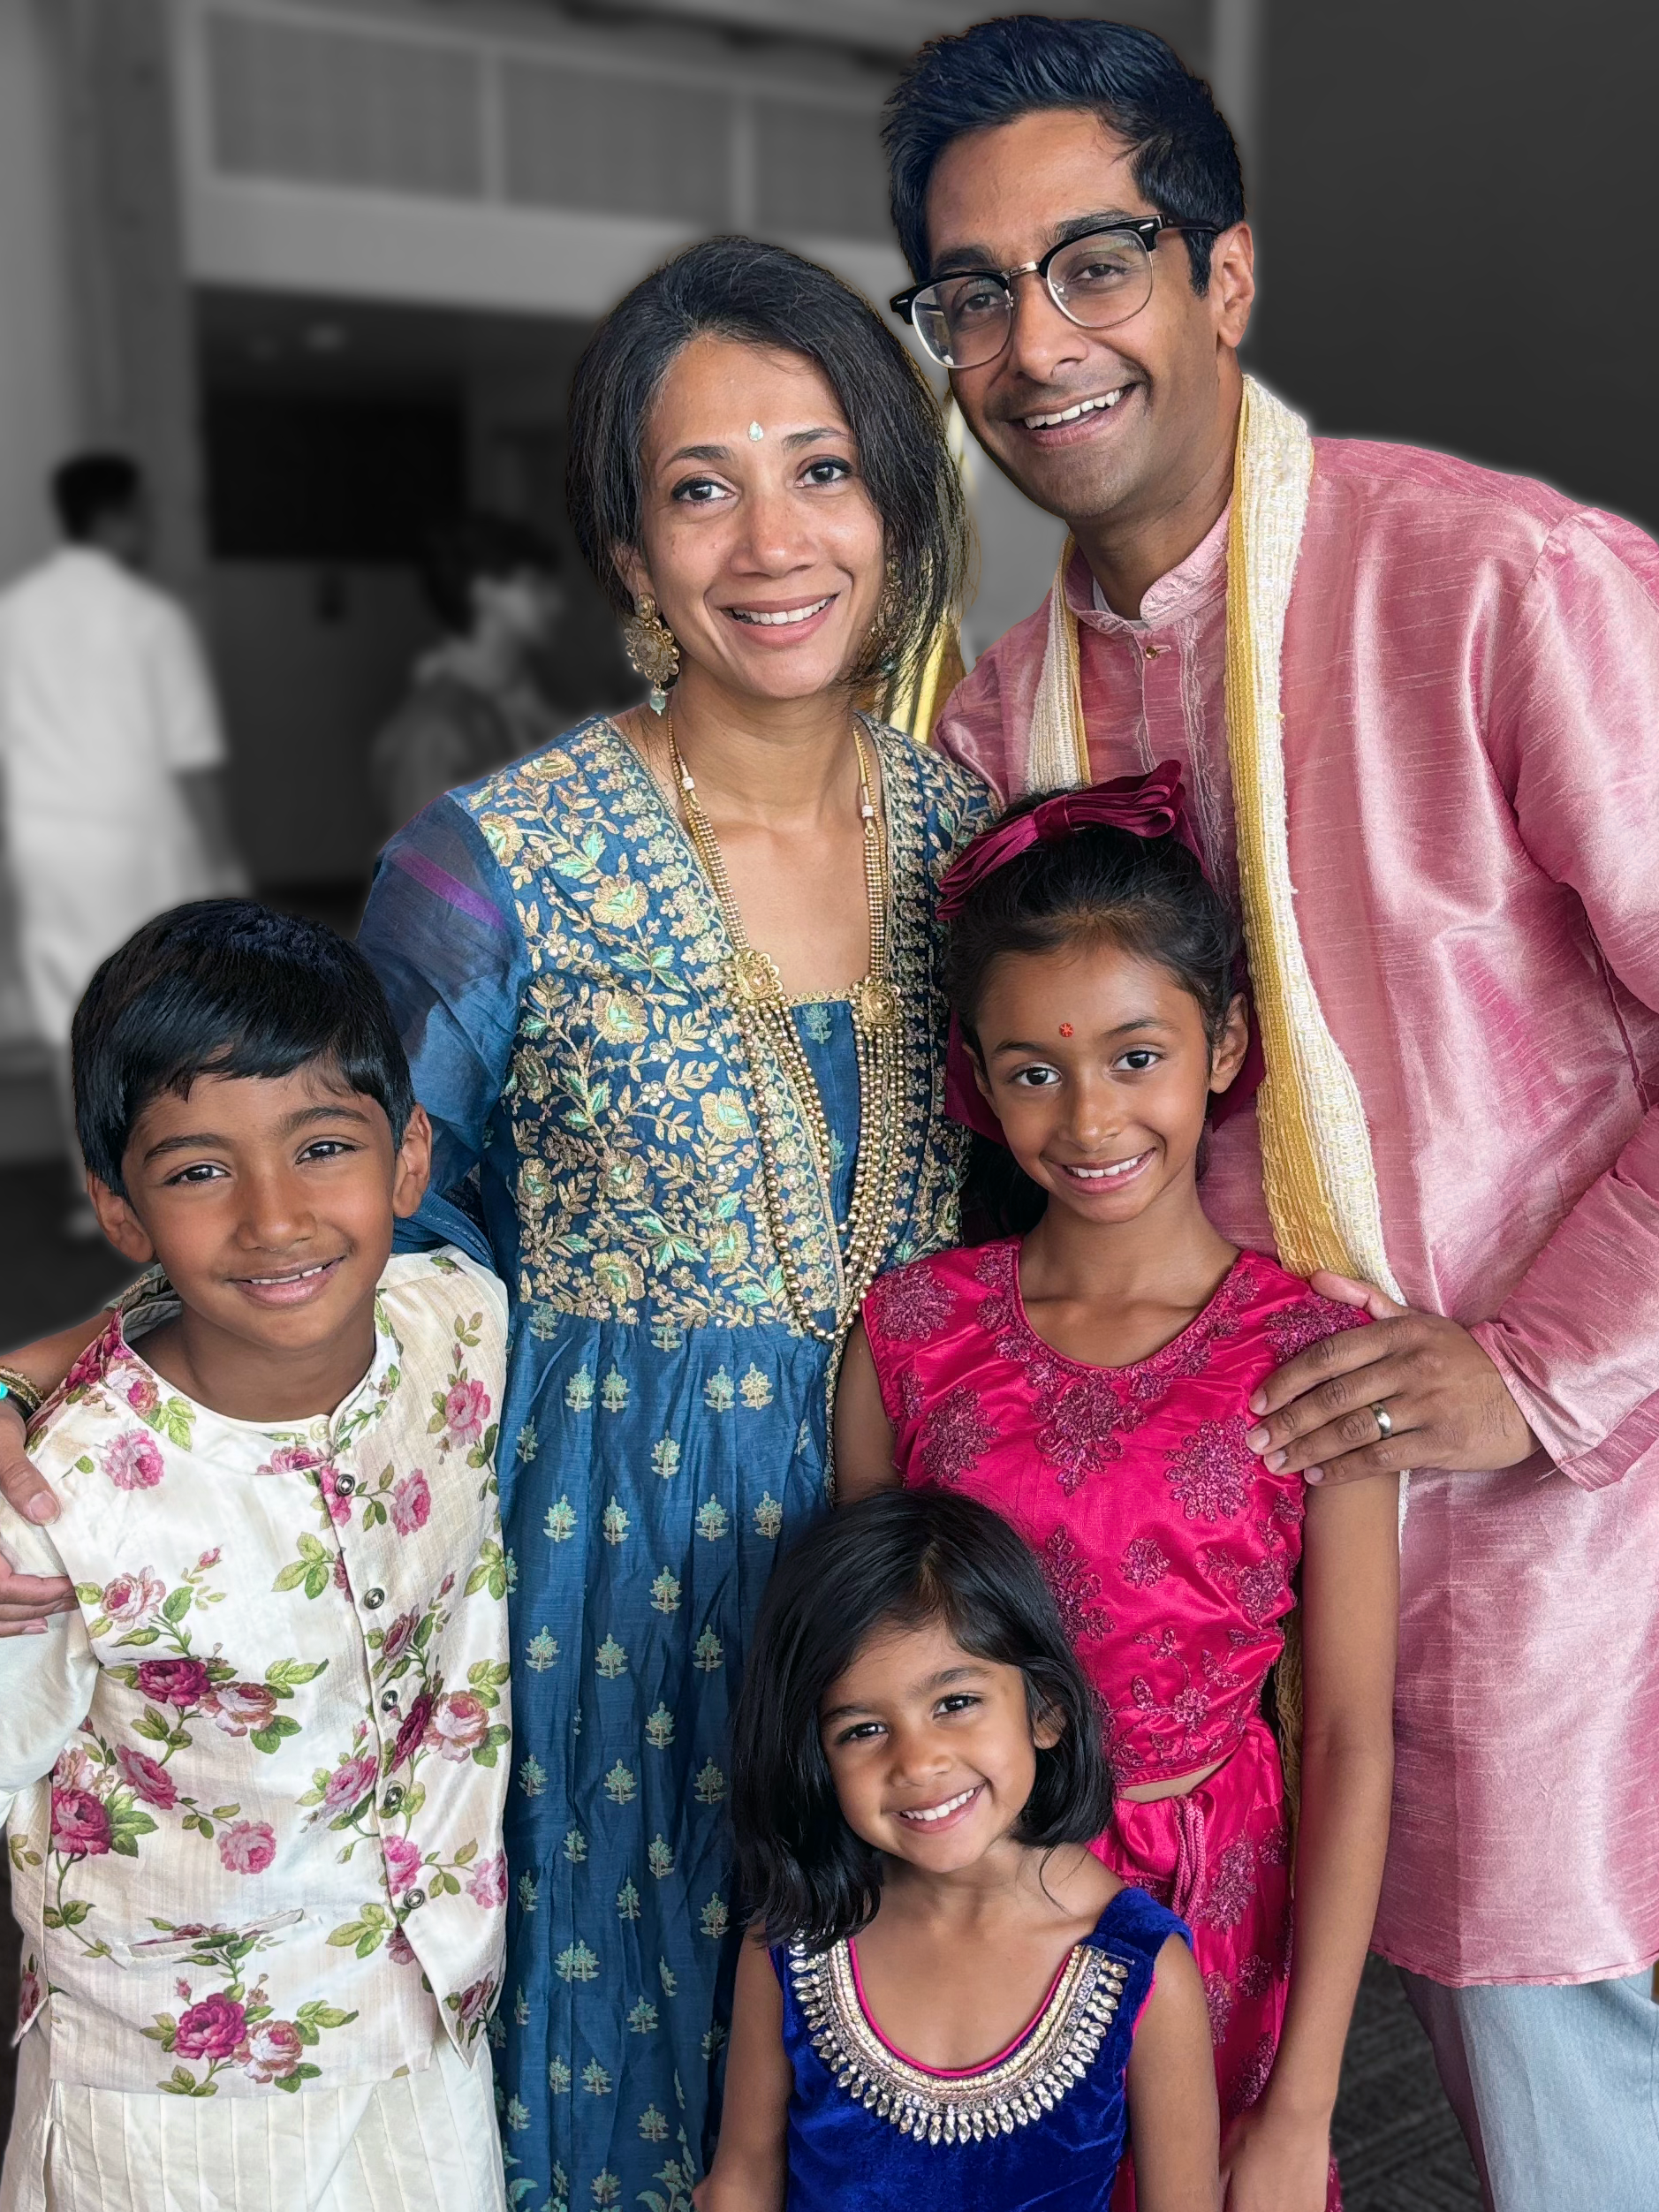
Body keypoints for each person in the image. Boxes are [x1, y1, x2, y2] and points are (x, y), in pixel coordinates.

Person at [0, 239, 988, 2208]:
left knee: (903, 2062)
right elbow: (329, 1212)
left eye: (820, 470)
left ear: (896, 504)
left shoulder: (974, 840)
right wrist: (59, 1361)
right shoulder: (494, 864)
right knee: (631, 2076)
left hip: (917, 1556)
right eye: (699, 487)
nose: (769, 540)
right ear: (625, 549)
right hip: (610, 1579)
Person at [880, 18, 1659, 2208]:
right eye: (972, 294)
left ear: (1223, 274)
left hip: (1546, 1559)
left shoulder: (1493, 585)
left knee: (1568, 2120)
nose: (1037, 344)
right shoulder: (999, 719)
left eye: (1095, 262)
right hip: (1191, 1618)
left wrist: (1540, 1366)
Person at [836, 784, 1397, 2210]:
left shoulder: (1309, 1355)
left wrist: (1300, 2105)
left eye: (1135, 1056)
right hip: (960, 1905)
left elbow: (1345, 1735)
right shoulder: (909, 1332)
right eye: (1033, 1071)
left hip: (1211, 1911)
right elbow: (858, 1683)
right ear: (976, 1077)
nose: (1088, 1118)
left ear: (1224, 1046)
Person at [0, 901, 511, 2212]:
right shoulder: (55, 1506)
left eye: (322, 1147)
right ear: (119, 1211)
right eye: (196, 1172)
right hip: (173, 2110)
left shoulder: (459, 1327)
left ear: (409, 1160)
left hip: (427, 2033)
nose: (275, 1218)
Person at [701, 1487, 1219, 2212]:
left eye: (954, 1703)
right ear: (815, 1760)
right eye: (862, 1730)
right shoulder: (797, 1943)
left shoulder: (1139, 1968)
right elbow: (740, 2183)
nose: (918, 1764)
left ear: (1045, 1709)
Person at [0, 453, 244, 1231]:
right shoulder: (150, 618)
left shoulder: (13, 615)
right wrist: (224, 861)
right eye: (144, 512)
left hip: (47, 842)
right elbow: (192, 754)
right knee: (162, 1012)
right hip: (141, 842)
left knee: (69, 1019)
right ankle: (181, 1178)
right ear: (115, 517)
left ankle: (94, 1196)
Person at [369, 513, 566, 836]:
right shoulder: (434, 728)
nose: (557, 603)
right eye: (535, 584)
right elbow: (424, 859)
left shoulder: (525, 698)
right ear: (484, 593)